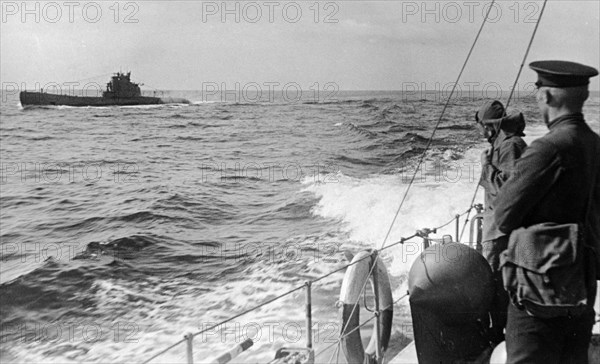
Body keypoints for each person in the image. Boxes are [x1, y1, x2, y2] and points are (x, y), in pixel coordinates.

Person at [494, 60, 600, 363]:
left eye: (539, 88)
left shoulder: (546, 149)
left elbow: (503, 216)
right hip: (580, 287)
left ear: (548, 96)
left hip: (538, 291)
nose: (537, 94)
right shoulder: (594, 144)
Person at [476, 100, 527, 344]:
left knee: (497, 288)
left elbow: (507, 190)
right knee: (495, 287)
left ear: (491, 126)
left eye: (483, 125)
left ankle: (498, 340)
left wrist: (486, 166)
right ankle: (498, 336)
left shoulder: (510, 146)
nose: (481, 130)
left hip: (500, 233)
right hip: (495, 229)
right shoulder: (503, 145)